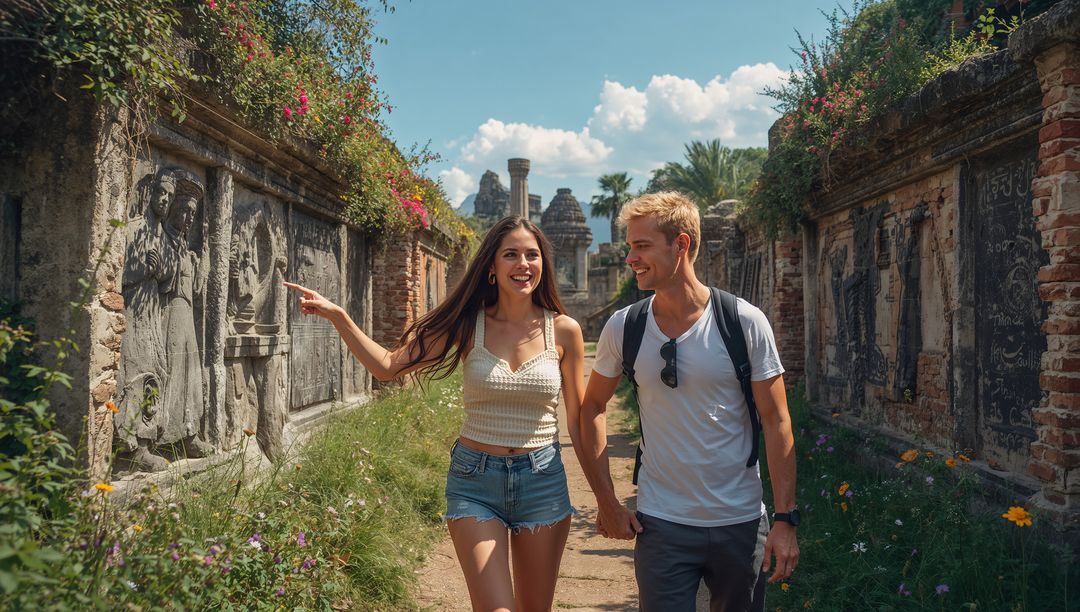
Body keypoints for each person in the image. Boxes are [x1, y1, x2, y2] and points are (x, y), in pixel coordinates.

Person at [284, 215, 586, 612]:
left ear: (543, 263)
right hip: (475, 482)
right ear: (492, 267)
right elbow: (389, 366)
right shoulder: (467, 324)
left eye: (532, 254)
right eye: (510, 254)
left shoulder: (563, 331)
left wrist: (607, 499)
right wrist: (340, 316)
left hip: (542, 481)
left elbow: (580, 420)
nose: (522, 264)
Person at [577, 192, 799, 612]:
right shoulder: (624, 327)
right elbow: (592, 408)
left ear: (680, 245)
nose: (630, 258)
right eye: (629, 246)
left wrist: (786, 520)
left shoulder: (743, 322)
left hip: (740, 520)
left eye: (641, 246)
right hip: (660, 523)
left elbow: (777, 420)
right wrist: (606, 501)